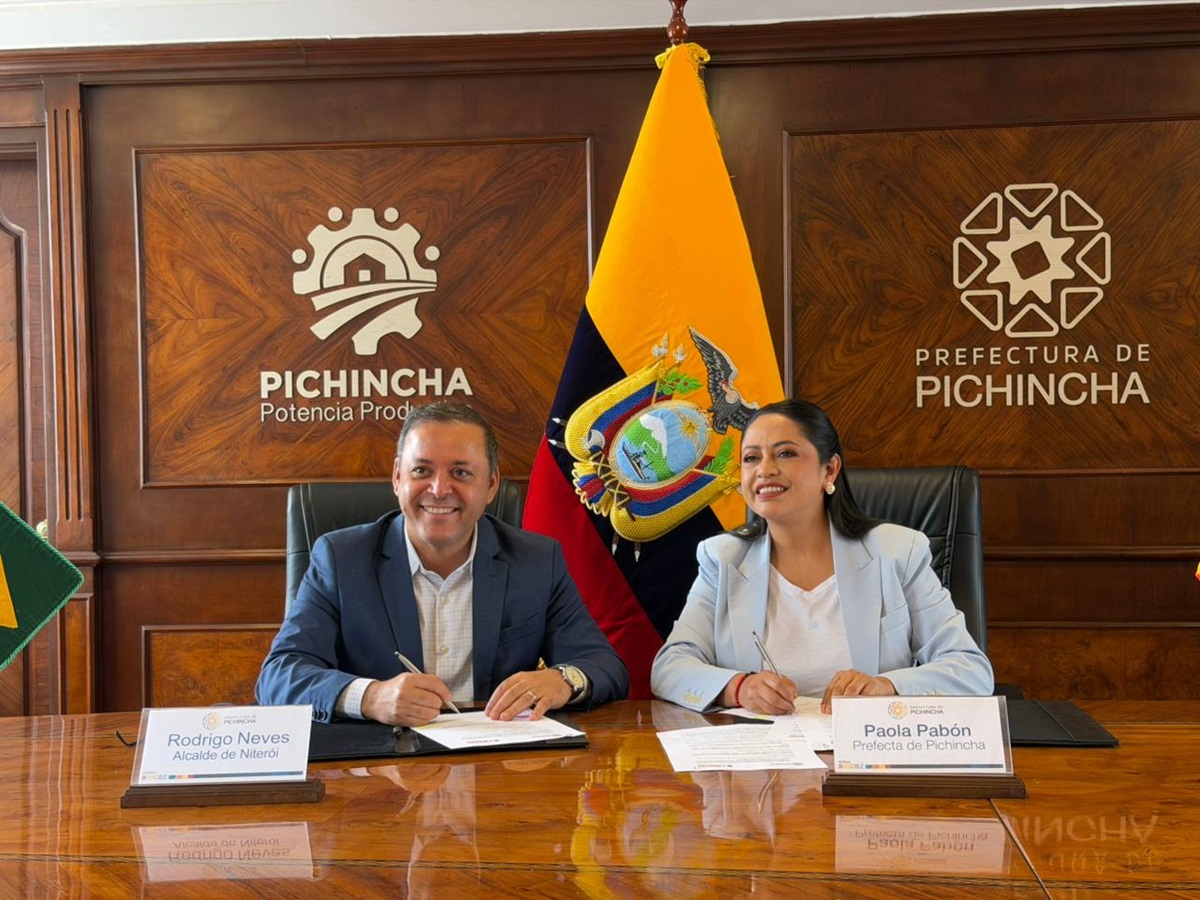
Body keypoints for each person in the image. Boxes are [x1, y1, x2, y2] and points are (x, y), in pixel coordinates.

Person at [257, 401, 629, 726]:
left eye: (461, 472)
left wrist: (562, 681)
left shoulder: (536, 561)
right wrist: (370, 697)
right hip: (381, 767)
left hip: (498, 765)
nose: (439, 489)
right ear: (397, 477)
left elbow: (605, 665)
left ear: (492, 485)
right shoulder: (341, 559)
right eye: (421, 470)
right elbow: (278, 676)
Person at [650, 398, 993, 715]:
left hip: (868, 749)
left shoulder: (898, 553)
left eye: (785, 453)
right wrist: (738, 689)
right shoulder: (723, 559)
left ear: (829, 471)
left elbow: (971, 670)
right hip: (763, 752)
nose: (765, 469)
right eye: (752, 458)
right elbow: (670, 667)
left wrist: (886, 687)